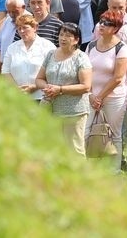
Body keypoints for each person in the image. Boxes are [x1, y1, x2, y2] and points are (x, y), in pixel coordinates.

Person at [35, 22, 92, 155]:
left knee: (74, 149)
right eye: (61, 35)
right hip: (51, 109)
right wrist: (47, 87)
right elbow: (39, 79)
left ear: (76, 40)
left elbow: (86, 86)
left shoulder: (81, 57)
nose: (63, 38)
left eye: (67, 36)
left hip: (74, 111)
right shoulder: (50, 54)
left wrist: (60, 89)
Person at [85, 10, 127, 170]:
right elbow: (85, 71)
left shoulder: (121, 48)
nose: (101, 25)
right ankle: (89, 168)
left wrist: (100, 97)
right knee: (86, 131)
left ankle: (114, 170)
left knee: (114, 134)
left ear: (116, 28)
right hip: (91, 97)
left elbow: (118, 77)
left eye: (107, 23)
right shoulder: (90, 45)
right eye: (101, 21)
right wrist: (91, 95)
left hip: (114, 97)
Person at [1, 14, 56, 101]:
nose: (22, 31)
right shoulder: (12, 48)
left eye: (25, 28)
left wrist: (35, 86)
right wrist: (16, 89)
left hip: (42, 96)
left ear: (34, 27)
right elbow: (5, 71)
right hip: (18, 98)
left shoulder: (47, 46)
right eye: (19, 28)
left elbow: (53, 71)